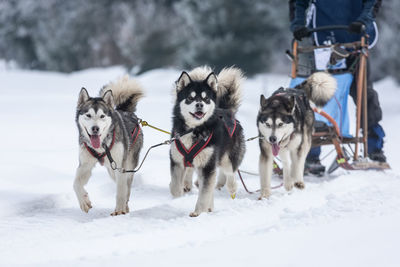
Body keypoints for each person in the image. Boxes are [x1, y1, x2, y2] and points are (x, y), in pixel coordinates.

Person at [289, 0, 386, 175]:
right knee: (318, 97)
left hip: (357, 38)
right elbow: (298, 3)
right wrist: (297, 24)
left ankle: (374, 149)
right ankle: (310, 155)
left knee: (365, 96)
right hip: (323, 41)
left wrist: (364, 20)